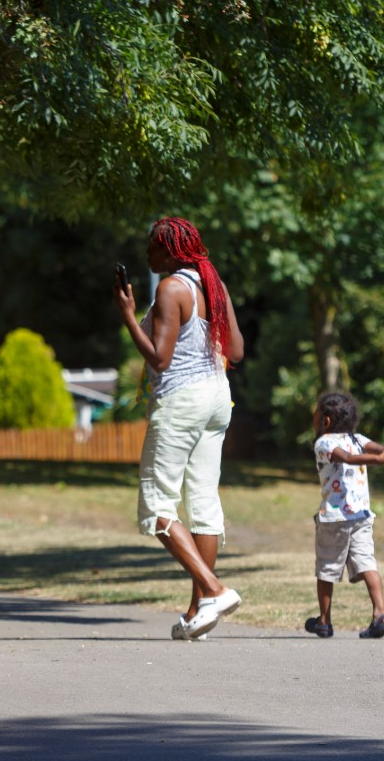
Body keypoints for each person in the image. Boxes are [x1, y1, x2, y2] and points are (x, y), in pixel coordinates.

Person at [113, 216, 245, 640]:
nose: (148, 254)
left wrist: (129, 316)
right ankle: (199, 613)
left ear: (171, 250)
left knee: (157, 505)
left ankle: (215, 589)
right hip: (217, 397)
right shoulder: (214, 286)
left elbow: (159, 358)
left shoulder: (172, 288)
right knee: (203, 502)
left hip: (182, 400)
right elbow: (237, 351)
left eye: (154, 247)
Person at [308, 391, 384, 639]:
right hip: (362, 517)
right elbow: (377, 451)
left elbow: (356, 457)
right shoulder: (357, 439)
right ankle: (381, 614)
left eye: (317, 414)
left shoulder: (323, 442)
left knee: (327, 569)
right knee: (367, 563)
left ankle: (324, 621)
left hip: (335, 519)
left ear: (326, 421)